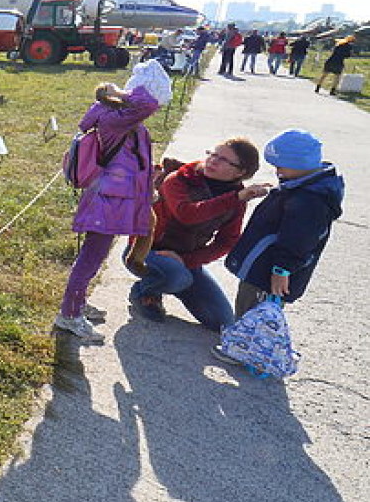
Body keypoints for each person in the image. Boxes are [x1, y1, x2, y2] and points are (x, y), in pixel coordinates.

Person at [55, 60, 172, 343]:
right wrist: (121, 92)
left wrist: (148, 188)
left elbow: (135, 163)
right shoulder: (116, 118)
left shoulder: (128, 121)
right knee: (90, 259)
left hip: (116, 199)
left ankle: (77, 302)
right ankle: (69, 315)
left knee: (95, 256)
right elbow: (146, 103)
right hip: (106, 202)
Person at [222, 130, 343, 362]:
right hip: (265, 264)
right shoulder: (300, 184)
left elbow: (298, 241)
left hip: (270, 269)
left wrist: (282, 269)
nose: (277, 171)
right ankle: (247, 343)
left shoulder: (310, 200)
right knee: (252, 304)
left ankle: (244, 348)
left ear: (302, 164)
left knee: (255, 307)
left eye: (282, 166)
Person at [126, 140, 270, 330]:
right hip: (144, 252)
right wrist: (236, 198)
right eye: (213, 154)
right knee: (178, 278)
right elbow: (187, 214)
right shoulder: (178, 179)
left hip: (184, 259)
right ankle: (145, 291)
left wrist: (187, 260)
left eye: (223, 160)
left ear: (240, 172)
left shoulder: (236, 197)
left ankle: (172, 279)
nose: (212, 161)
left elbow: (227, 242)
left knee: (223, 323)